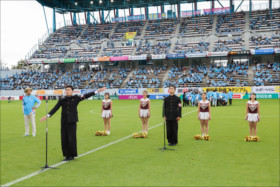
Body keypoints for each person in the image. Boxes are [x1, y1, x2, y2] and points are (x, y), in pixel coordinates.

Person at [40, 86, 106, 161]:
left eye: (68, 90)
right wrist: (47, 115)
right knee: (64, 138)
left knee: (71, 138)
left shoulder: (76, 98)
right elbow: (56, 108)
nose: (67, 91)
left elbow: (86, 96)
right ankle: (66, 155)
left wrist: (97, 91)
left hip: (72, 121)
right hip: (64, 121)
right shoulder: (62, 99)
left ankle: (72, 155)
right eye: (66, 90)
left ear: (72, 91)